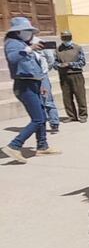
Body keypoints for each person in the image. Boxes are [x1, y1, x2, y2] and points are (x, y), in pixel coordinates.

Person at [1, 17, 61, 163]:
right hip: (24, 85)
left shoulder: (23, 43)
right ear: (18, 31)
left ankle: (42, 146)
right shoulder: (12, 43)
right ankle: (14, 145)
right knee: (38, 118)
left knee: (42, 116)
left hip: (34, 84)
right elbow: (13, 58)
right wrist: (29, 49)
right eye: (26, 30)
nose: (29, 33)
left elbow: (34, 67)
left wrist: (41, 85)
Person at [54, 30, 88, 123]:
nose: (66, 39)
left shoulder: (77, 48)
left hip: (76, 74)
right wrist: (59, 65)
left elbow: (82, 62)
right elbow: (54, 62)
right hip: (64, 75)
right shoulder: (58, 50)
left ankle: (83, 115)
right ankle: (71, 116)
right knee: (67, 98)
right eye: (64, 38)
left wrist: (70, 64)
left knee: (80, 96)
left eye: (68, 37)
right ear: (61, 38)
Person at [33, 36, 60, 133]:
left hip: (42, 76)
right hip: (31, 78)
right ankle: (40, 124)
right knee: (37, 102)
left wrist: (45, 70)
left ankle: (54, 123)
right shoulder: (23, 44)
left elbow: (51, 59)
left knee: (47, 100)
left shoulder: (40, 42)